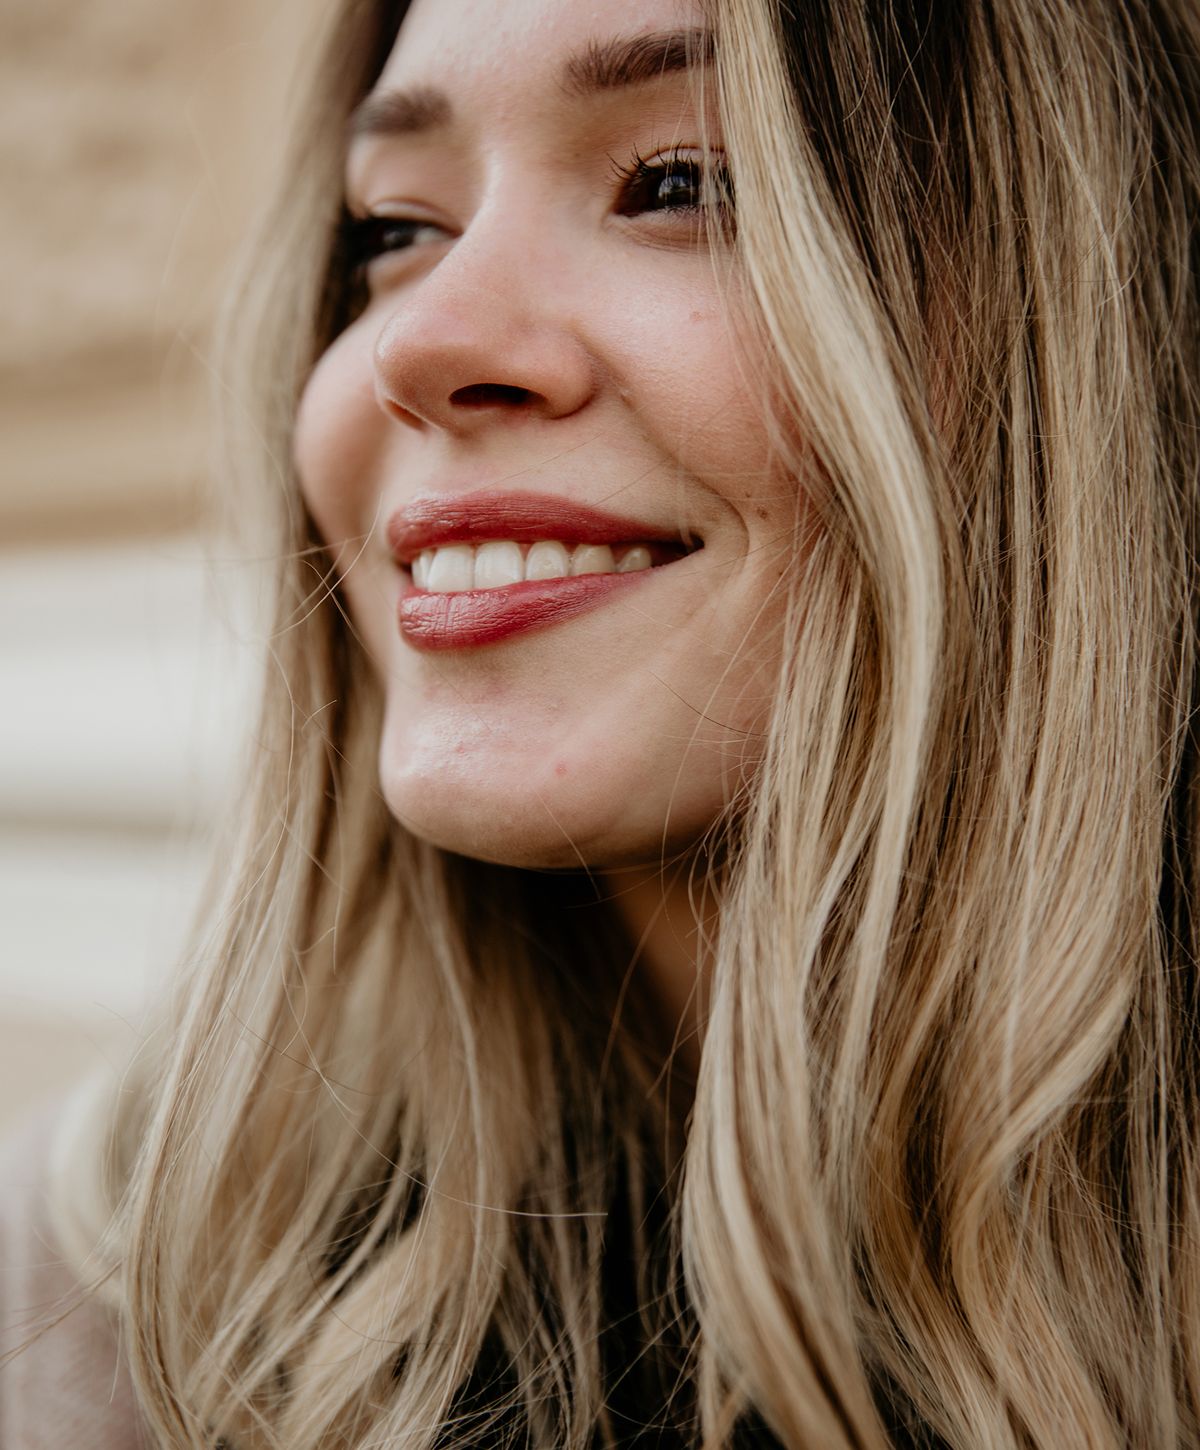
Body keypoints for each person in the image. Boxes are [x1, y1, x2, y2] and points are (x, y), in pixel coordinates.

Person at [4, 0, 1200, 1444]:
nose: (419, 343)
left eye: (683, 183)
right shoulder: (119, 1307)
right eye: (391, 229)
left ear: (1107, 331)